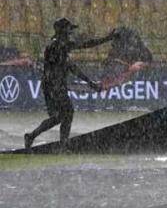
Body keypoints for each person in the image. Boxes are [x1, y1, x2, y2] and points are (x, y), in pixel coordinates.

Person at [24, 18, 116, 149]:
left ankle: (32, 136)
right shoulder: (57, 46)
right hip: (53, 85)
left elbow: (71, 66)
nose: (71, 32)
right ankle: (63, 145)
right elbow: (77, 55)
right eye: (69, 29)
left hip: (53, 85)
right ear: (61, 31)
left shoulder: (61, 45)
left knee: (59, 117)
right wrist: (107, 38)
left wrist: (90, 82)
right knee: (68, 113)